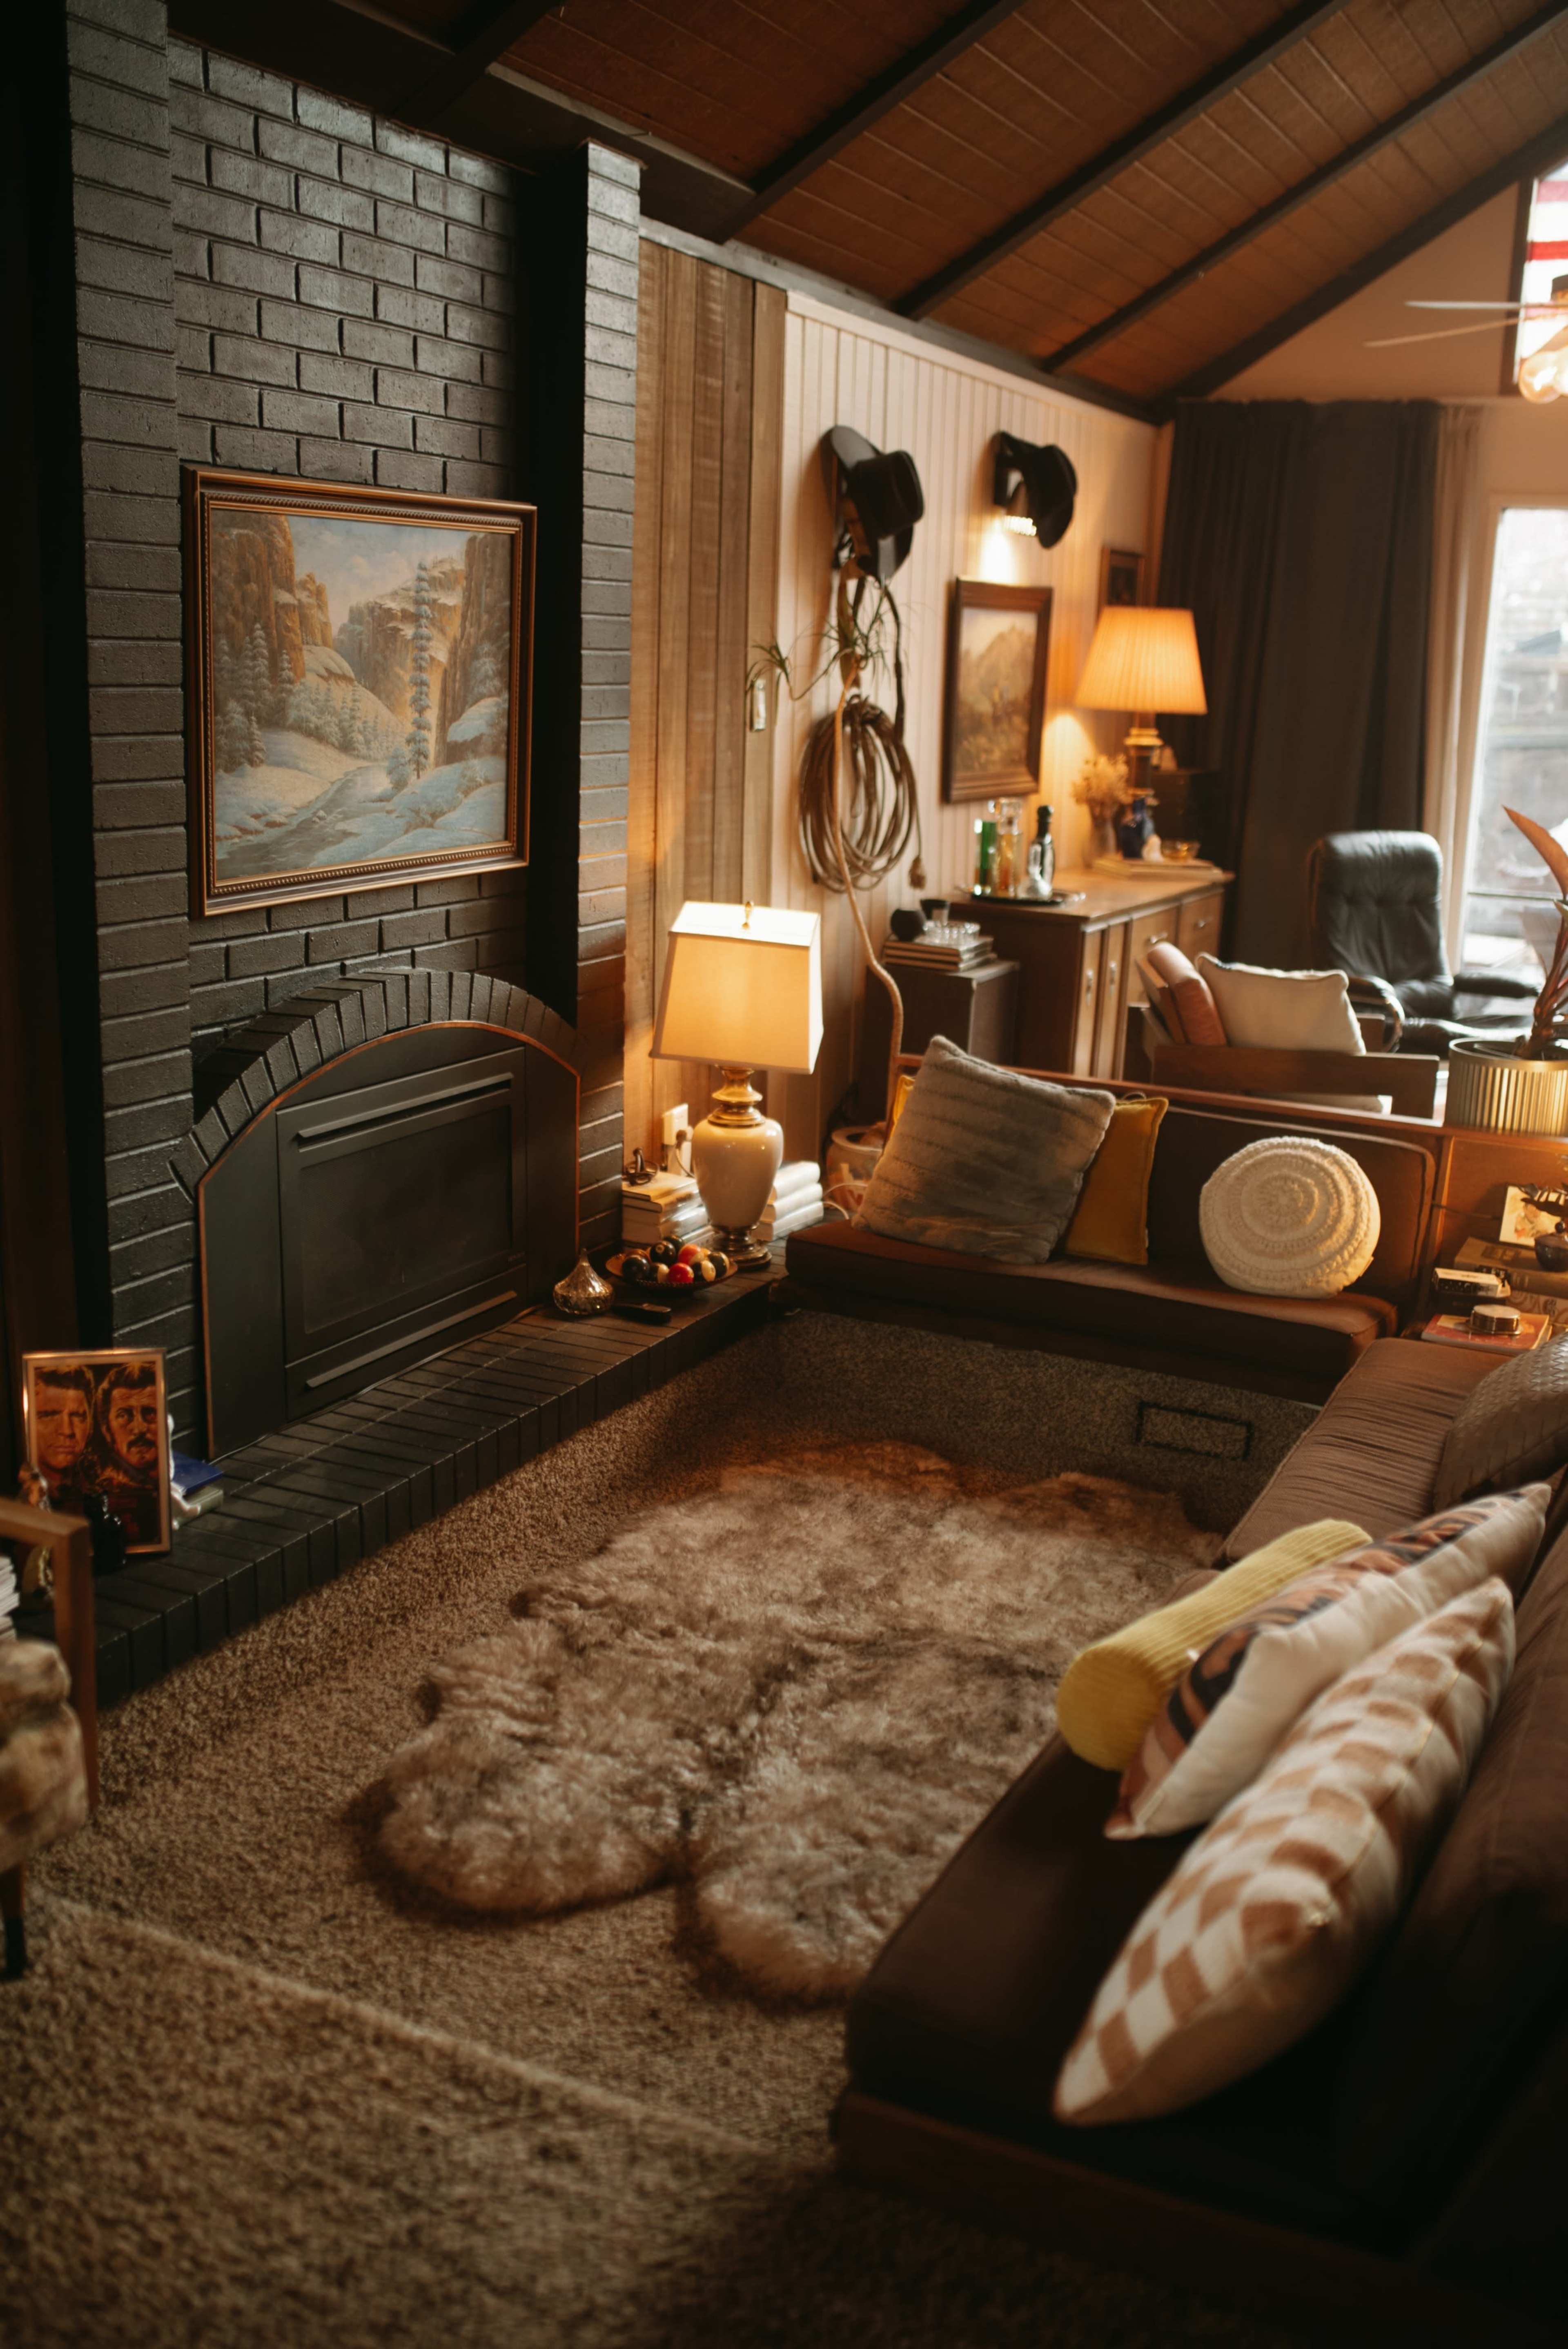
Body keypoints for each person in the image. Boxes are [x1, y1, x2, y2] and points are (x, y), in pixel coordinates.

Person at [90, 1360, 164, 1549]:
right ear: (108, 1430)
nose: (139, 1429)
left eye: (150, 1414)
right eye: (124, 1416)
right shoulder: (101, 1489)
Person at [29, 1365, 95, 1512]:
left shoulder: (101, 1490)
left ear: (91, 1424)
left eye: (78, 1416)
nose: (67, 1431)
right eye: (49, 1415)